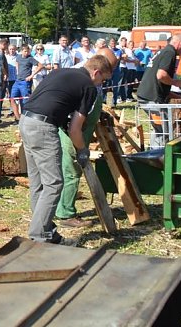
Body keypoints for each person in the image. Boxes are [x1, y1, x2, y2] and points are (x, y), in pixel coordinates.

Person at [20, 54, 112, 245]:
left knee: (39, 183)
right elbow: (75, 129)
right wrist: (82, 150)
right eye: (102, 80)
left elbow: (53, 102)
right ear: (96, 72)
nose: (100, 84)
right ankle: (40, 235)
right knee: (54, 183)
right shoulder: (88, 87)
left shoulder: (61, 72)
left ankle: (46, 231)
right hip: (43, 128)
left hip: (26, 121)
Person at [55, 47, 117, 228]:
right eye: (108, 69)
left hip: (82, 129)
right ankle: (66, 214)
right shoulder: (81, 76)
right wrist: (80, 146)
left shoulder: (91, 75)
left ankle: (62, 208)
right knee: (72, 171)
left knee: (71, 170)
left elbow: (90, 103)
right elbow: (74, 113)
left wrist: (99, 113)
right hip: (73, 132)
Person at [136, 34, 181, 148]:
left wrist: (177, 96)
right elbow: (161, 76)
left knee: (159, 128)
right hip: (151, 98)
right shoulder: (170, 53)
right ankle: (159, 154)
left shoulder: (163, 51)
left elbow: (158, 83)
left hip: (147, 95)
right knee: (164, 129)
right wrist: (176, 82)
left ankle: (153, 152)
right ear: (180, 44)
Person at [11, 45, 37, 113]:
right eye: (25, 51)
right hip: (17, 81)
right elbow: (17, 62)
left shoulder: (30, 58)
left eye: (28, 51)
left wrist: (32, 75)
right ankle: (17, 117)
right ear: (21, 51)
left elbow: (40, 66)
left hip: (25, 82)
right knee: (13, 98)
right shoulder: (18, 57)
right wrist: (17, 71)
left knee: (25, 100)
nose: (26, 53)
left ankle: (24, 115)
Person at [4, 44, 19, 119]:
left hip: (16, 78)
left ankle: (17, 111)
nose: (12, 50)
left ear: (15, 49)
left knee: (16, 95)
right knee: (10, 95)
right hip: (9, 79)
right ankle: (12, 110)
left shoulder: (18, 56)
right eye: (10, 49)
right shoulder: (6, 57)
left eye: (13, 49)